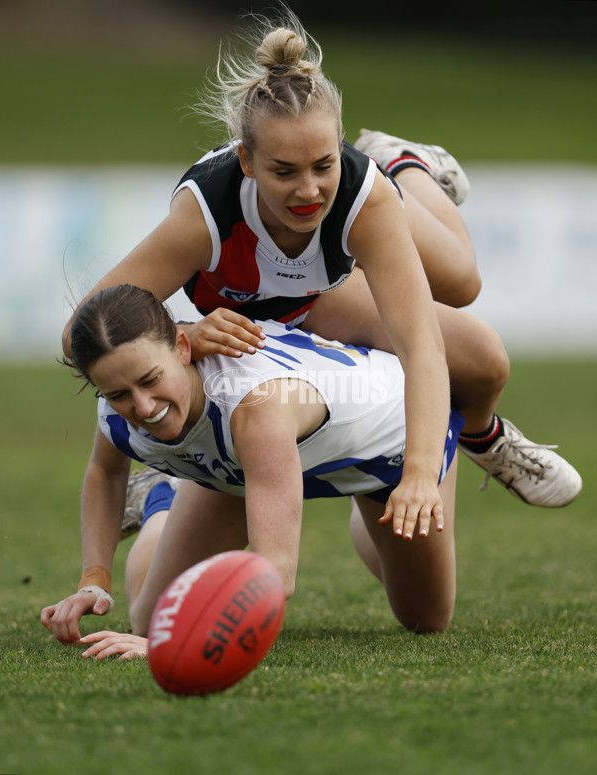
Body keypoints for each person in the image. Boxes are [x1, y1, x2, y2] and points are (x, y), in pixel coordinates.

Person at [60, 9, 580, 511]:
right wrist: (185, 337)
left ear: (339, 151)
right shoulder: (206, 215)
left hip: (317, 295)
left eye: (324, 165)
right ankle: (168, 469)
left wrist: (420, 472)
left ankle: (405, 164)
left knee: (476, 328)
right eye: (284, 171)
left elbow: (420, 346)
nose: (308, 191)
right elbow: (78, 330)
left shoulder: (362, 198)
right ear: (246, 161)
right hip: (258, 323)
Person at [41, 284, 463, 658]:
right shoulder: (118, 406)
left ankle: (366, 517)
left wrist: (175, 645)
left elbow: (275, 573)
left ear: (184, 349)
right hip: (246, 466)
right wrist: (93, 581)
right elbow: (106, 471)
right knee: (152, 622)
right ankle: (162, 499)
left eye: (151, 380)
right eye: (119, 393)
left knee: (426, 618)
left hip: (391, 451)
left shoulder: (255, 408)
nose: (144, 407)